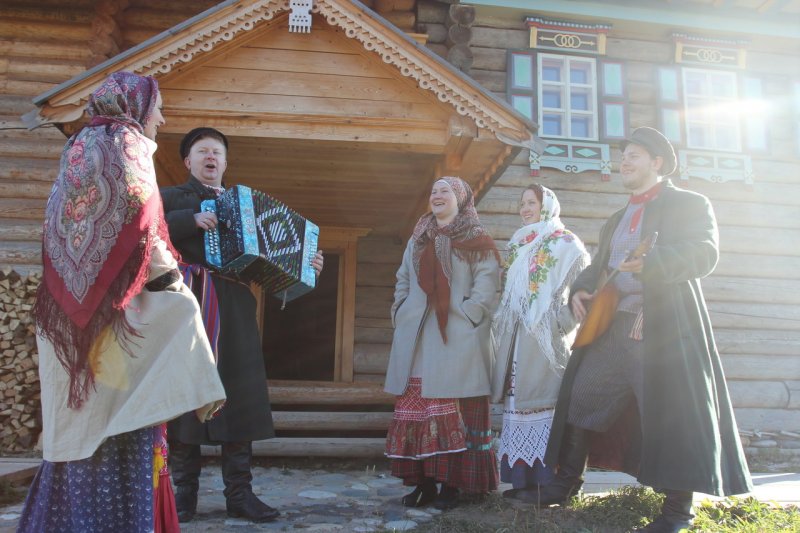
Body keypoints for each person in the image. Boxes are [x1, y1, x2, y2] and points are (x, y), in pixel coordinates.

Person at [18, 71, 226, 533]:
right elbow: (141, 226)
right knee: (126, 413)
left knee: (79, 425)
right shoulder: (127, 146)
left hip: (66, 321)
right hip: (117, 322)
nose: (161, 120)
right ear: (135, 108)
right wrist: (175, 286)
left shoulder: (77, 148)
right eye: (158, 110)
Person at [530, 127, 753, 532]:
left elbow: (704, 253)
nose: (624, 162)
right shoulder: (617, 218)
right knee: (581, 396)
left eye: (634, 155)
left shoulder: (690, 204)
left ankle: (677, 514)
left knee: (670, 415)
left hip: (662, 330)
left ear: (657, 162)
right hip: (613, 327)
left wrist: (653, 262)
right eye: (623, 156)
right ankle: (566, 484)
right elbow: (601, 266)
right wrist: (581, 290)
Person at [161, 127, 324, 523]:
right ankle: (183, 495)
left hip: (234, 307)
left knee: (240, 394)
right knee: (186, 394)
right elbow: (146, 233)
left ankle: (240, 494)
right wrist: (190, 220)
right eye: (203, 151)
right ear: (188, 161)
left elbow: (270, 265)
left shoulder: (244, 206)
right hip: (189, 304)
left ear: (225, 162)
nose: (210, 157)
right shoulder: (170, 198)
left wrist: (306, 265)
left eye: (217, 152)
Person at [384, 176, 501, 510]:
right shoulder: (418, 238)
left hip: (457, 336)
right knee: (418, 410)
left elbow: (487, 282)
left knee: (453, 410)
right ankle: (424, 484)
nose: (437, 195)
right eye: (433, 191)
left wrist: (470, 314)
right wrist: (400, 310)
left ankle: (452, 485)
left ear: (460, 198)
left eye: (445, 191)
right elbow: (403, 278)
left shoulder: (476, 237)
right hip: (417, 336)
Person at [490, 184, 589, 499]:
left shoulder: (566, 243)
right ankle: (521, 483)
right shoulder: (520, 243)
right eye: (522, 203)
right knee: (519, 403)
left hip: (545, 341)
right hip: (517, 338)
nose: (525, 209)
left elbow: (583, 290)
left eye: (531, 202)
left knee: (543, 403)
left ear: (546, 205)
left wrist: (561, 323)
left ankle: (547, 484)